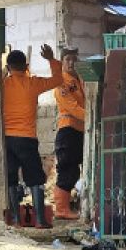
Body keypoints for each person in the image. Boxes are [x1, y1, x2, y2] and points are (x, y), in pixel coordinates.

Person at [0, 44, 62, 227]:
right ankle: (40, 220)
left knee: (11, 178)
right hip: (27, 139)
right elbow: (58, 79)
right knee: (35, 178)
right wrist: (51, 59)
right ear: (26, 66)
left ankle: (15, 219)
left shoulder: (0, 85)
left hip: (5, 139)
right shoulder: (33, 83)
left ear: (8, 68)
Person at [52, 46, 85, 220]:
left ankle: (65, 206)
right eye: (68, 59)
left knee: (74, 170)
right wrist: (92, 118)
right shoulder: (60, 82)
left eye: (74, 59)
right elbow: (72, 107)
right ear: (62, 61)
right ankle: (61, 209)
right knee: (67, 169)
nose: (71, 63)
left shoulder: (77, 79)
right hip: (68, 129)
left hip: (78, 130)